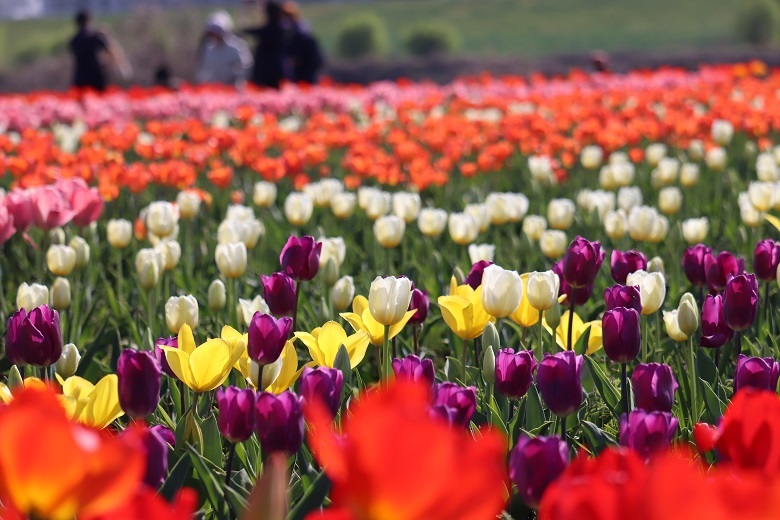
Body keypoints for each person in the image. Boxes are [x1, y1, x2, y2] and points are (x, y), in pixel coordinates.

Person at [195, 11, 253, 87]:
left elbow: (246, 66)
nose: (215, 36)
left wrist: (236, 77)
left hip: (233, 87)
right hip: (214, 87)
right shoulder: (208, 48)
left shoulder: (237, 47)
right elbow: (202, 69)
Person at [68, 9, 115, 91]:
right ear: (89, 21)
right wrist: (104, 63)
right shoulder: (95, 37)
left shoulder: (74, 40)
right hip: (96, 76)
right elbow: (111, 51)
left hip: (80, 77)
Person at [245, 1, 287, 89]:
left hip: (265, 69)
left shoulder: (268, 29)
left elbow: (249, 30)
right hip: (277, 67)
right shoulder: (282, 28)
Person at [283, 1, 324, 84]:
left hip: (303, 66)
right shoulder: (304, 26)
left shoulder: (294, 30)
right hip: (310, 64)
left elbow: (297, 54)